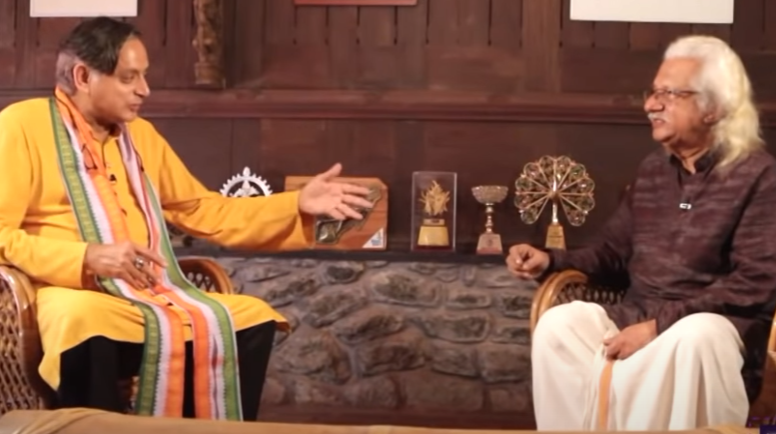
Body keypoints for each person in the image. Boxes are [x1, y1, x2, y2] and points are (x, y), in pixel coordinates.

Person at [0, 17, 374, 421]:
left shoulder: (140, 136)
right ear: (83, 77)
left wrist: (297, 204)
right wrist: (87, 257)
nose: (144, 89)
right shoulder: (22, 125)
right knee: (82, 319)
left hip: (146, 294)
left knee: (250, 317)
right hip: (66, 293)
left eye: (144, 76)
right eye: (129, 78)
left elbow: (201, 209)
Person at [507, 35, 776, 431]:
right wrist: (551, 260)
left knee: (695, 336)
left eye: (671, 94)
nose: (651, 105)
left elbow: (755, 281)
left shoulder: (760, 175)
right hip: (635, 316)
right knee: (561, 324)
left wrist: (658, 327)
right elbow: (613, 252)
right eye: (653, 93)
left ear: (714, 108)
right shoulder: (654, 171)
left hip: (713, 326)